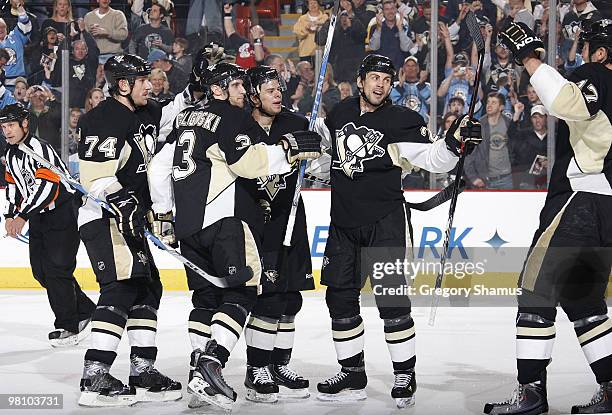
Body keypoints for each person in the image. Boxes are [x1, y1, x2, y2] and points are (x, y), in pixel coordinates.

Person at [146, 62, 322, 411]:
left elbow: (157, 167)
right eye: (237, 85)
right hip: (225, 221)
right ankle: (212, 364)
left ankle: (199, 376)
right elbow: (248, 165)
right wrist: (288, 150)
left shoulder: (184, 118)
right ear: (217, 90)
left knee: (206, 301)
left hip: (188, 228)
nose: (243, 91)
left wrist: (164, 213)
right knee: (243, 292)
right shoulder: (231, 117)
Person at [309, 54, 481, 407]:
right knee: (339, 300)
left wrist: (453, 142)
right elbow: (327, 159)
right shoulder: (339, 113)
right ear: (360, 81)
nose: (380, 85)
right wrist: (307, 152)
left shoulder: (404, 121)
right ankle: (352, 372)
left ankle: (405, 374)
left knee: (391, 302)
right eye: (374, 78)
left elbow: (433, 159)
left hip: (384, 225)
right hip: (343, 225)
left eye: (387, 80)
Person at [483, 19, 612, 415]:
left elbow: (567, 101)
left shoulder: (598, 75)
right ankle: (611, 389)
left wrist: (529, 57)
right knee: (585, 300)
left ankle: (531, 392)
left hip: (580, 202)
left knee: (534, 291)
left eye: (583, 45)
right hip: (606, 207)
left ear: (600, 52)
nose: (579, 53)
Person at [76, 54, 181, 407]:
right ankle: (95, 375)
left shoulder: (144, 112)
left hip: (130, 218)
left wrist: (196, 86)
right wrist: (121, 199)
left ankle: (142, 369)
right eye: (142, 80)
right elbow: (94, 174)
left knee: (148, 289)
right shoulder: (102, 118)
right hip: (105, 216)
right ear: (123, 85)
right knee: (120, 288)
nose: (149, 85)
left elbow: (170, 116)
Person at [242, 66, 315, 403]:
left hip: (290, 221)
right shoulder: (239, 127)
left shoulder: (298, 124)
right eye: (269, 90)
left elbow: (320, 167)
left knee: (291, 300)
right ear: (254, 95)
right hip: (256, 228)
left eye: (279, 89)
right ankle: (256, 368)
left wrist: (317, 154)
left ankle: (277, 364)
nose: (277, 95)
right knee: (267, 299)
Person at [1, 103, 96, 348]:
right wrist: (10, 214)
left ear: (24, 124)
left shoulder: (38, 149)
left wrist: (22, 216)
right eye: (3, 126)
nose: (7, 131)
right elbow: (14, 187)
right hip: (40, 217)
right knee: (41, 272)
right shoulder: (11, 154)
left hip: (63, 214)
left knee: (57, 270)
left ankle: (68, 324)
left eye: (11, 125)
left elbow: (48, 188)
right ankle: (86, 309)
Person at [0, 2, 31, 91]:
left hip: (18, 83)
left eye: (2, 27)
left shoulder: (16, 36)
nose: (0, 30)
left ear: (6, 28)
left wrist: (19, 6)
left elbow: (25, 23)